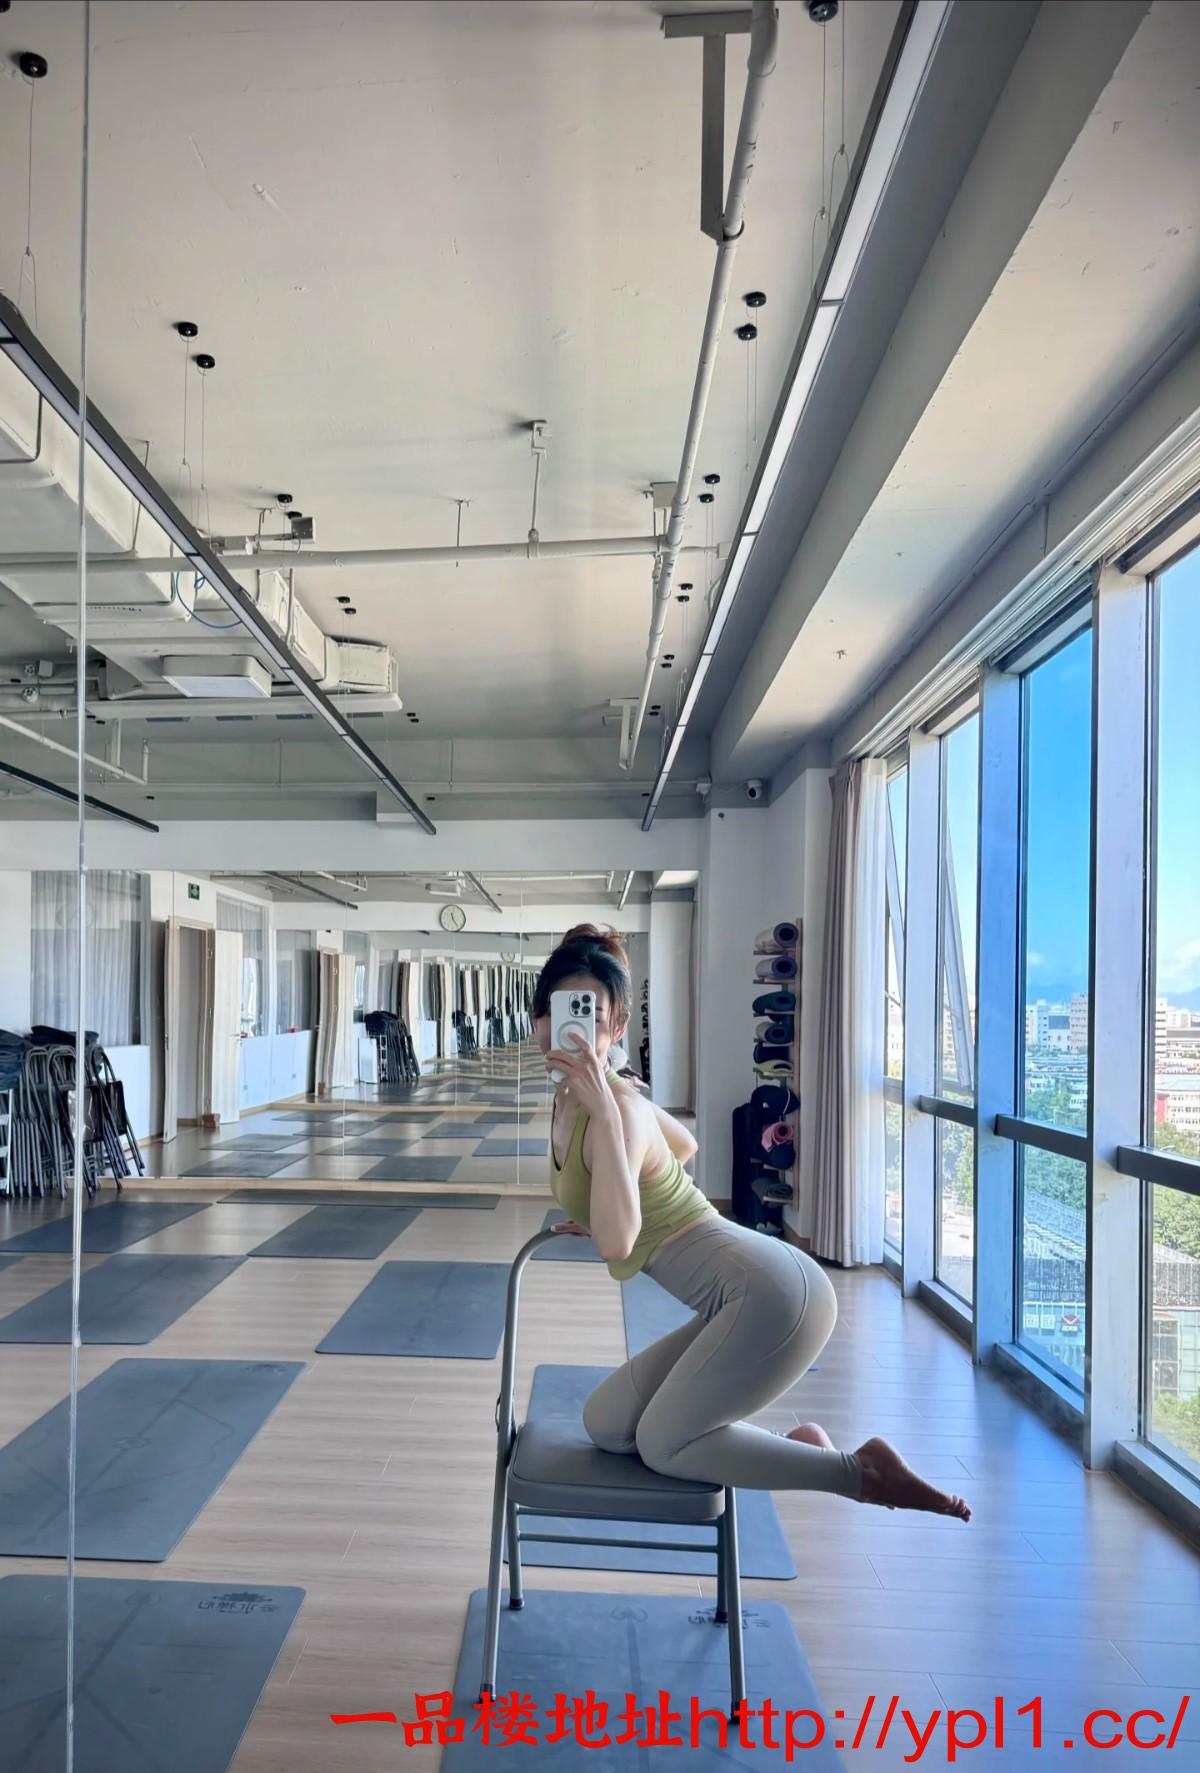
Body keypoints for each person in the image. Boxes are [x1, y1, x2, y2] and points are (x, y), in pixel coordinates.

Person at [534, 923, 971, 1521]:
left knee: (662, 1445)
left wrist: (611, 1120)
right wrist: (612, 1193)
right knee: (606, 1423)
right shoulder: (569, 1101)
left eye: (593, 1016)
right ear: (539, 1019)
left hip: (777, 1296)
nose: (571, 1030)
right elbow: (683, 1146)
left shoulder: (621, 1108)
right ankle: (797, 1446)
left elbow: (617, 1243)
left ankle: (861, 1471)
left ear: (616, 1028)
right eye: (557, 1011)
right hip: (740, 1295)